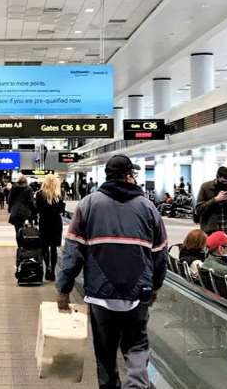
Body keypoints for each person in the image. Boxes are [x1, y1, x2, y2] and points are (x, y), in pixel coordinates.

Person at [56, 155, 168, 389]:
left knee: (105, 353)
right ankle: (136, 384)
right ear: (128, 176)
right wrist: (156, 285)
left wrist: (64, 288)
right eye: (133, 174)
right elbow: (160, 253)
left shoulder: (88, 204)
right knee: (137, 346)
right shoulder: (147, 208)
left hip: (100, 294)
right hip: (138, 293)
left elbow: (72, 252)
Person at [195, 166, 227, 245]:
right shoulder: (206, 187)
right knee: (211, 257)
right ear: (217, 177)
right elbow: (198, 210)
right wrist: (215, 200)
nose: (225, 184)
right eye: (223, 181)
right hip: (211, 234)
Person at [35, 174, 65, 281]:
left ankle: (47, 267)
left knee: (44, 247)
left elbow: (37, 209)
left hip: (44, 223)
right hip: (56, 223)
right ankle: (53, 271)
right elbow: (61, 211)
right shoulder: (59, 195)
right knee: (54, 248)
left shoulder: (39, 194)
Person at [8, 174, 35, 243]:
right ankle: (26, 246)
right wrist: (34, 211)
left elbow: (10, 200)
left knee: (18, 230)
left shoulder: (14, 188)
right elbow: (31, 201)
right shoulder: (29, 188)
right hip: (26, 213)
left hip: (15, 212)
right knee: (28, 231)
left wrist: (10, 209)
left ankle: (19, 247)